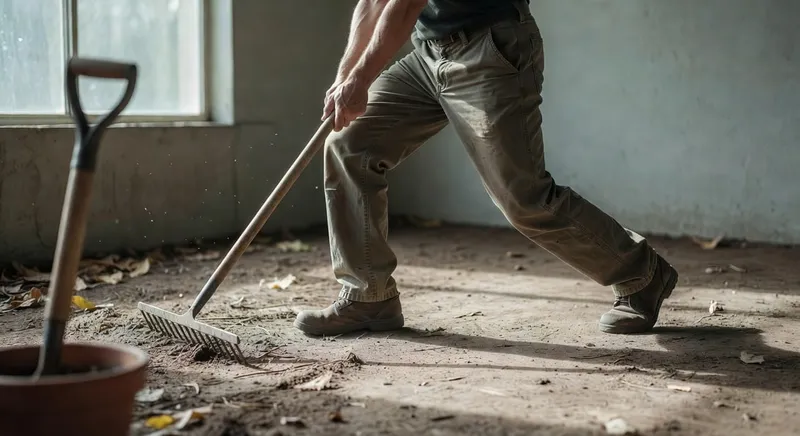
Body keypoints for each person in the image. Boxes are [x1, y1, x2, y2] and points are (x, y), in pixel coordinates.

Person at [293, 0, 678, 337]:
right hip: (428, 54)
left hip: (489, 46)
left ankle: (642, 273)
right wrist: (345, 77)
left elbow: (407, 3)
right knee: (350, 145)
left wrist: (361, 79)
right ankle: (368, 296)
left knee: (523, 198)